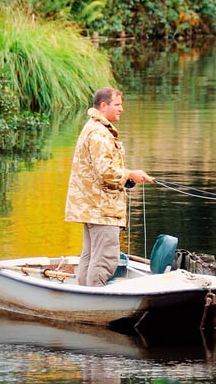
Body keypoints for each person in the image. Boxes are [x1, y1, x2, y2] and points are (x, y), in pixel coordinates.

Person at [65, 87, 154, 287]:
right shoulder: (98, 133)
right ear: (103, 106)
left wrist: (128, 177)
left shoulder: (96, 128)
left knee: (90, 256)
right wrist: (131, 174)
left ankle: (83, 297)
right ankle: (94, 299)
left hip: (94, 207)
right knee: (106, 257)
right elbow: (106, 172)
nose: (121, 109)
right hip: (101, 209)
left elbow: (105, 170)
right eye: (117, 104)